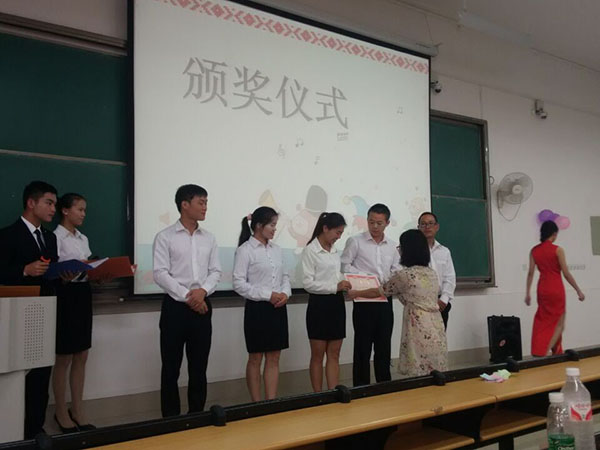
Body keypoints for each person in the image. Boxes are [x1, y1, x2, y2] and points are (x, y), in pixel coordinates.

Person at [153, 184, 222, 417]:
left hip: (203, 307)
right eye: (201, 202)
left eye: (206, 202)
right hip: (175, 307)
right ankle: (170, 420)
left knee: (199, 367)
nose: (205, 207)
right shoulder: (165, 237)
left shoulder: (209, 238)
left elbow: (216, 271)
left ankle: (197, 416)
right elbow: (160, 273)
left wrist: (202, 292)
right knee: (170, 368)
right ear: (185, 204)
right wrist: (189, 296)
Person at [0, 181, 59, 438]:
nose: (53, 209)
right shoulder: (7, 235)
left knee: (41, 374)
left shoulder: (50, 237)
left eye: (55, 204)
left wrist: (64, 275)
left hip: (45, 313)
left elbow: (51, 273)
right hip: (14, 317)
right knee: (15, 378)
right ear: (31, 203)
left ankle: (35, 429)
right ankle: (12, 432)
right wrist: (24, 270)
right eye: (49, 203)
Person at [348, 229, 448, 377]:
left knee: (418, 365)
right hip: (435, 323)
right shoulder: (431, 273)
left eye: (401, 247)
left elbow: (380, 291)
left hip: (417, 324)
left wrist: (357, 293)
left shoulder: (405, 275)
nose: (399, 251)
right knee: (434, 366)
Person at [233, 206, 291, 401]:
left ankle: (270, 402)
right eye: (272, 225)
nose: (275, 229)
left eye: (275, 225)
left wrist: (285, 293)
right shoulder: (245, 250)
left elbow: (285, 276)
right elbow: (239, 284)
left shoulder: (277, 250)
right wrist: (268, 295)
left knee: (274, 357)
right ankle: (256, 404)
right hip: (257, 309)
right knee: (256, 357)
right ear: (259, 225)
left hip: (278, 308)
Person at [341, 203, 401, 386]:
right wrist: (367, 277)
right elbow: (344, 266)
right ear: (367, 220)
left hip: (384, 298)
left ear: (387, 223)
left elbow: (397, 270)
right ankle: (361, 388)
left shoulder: (392, 246)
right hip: (363, 299)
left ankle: (384, 385)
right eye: (371, 222)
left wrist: (385, 281)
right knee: (362, 347)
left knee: (384, 345)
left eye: (379, 223)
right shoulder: (356, 241)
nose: (375, 226)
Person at [52, 193, 97, 432]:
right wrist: (63, 277)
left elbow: (86, 267)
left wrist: (99, 274)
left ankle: (77, 410)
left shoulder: (83, 238)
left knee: (82, 354)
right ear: (65, 210)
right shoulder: (54, 237)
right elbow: (52, 272)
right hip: (64, 296)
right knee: (64, 357)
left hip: (83, 294)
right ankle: (60, 412)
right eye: (79, 209)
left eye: (85, 210)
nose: (83, 214)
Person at [301, 212, 351, 392]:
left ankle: (333, 392)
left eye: (341, 233)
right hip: (319, 305)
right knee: (317, 355)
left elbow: (336, 275)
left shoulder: (335, 251)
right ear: (325, 228)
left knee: (334, 354)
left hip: (337, 304)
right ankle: (318, 395)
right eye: (337, 232)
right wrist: (334, 287)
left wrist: (346, 282)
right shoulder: (310, 250)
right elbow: (308, 283)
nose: (339, 237)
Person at [525, 220, 585, 356]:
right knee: (559, 324)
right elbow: (566, 273)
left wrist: (528, 293)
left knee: (543, 321)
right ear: (554, 234)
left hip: (542, 288)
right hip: (556, 288)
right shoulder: (558, 250)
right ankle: (543, 352)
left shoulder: (534, 251)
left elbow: (530, 273)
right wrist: (578, 290)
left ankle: (556, 351)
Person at [417, 212, 455, 330]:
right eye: (423, 224)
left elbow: (450, 278)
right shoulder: (412, 252)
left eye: (430, 223)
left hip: (441, 303)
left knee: (440, 339)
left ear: (436, 227)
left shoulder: (444, 251)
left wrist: (444, 300)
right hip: (420, 304)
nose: (427, 227)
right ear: (418, 228)